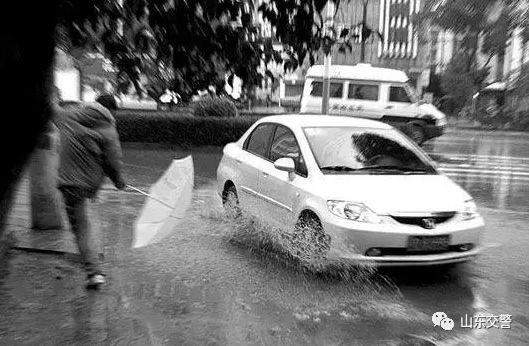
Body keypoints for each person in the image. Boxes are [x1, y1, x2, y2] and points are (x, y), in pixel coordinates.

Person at [55, 93, 126, 289]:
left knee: (80, 227)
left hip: (68, 182)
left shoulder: (68, 116)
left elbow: (52, 112)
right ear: (110, 111)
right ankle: (93, 270)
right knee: (83, 224)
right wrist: (119, 181)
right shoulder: (108, 128)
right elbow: (113, 161)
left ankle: (94, 272)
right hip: (89, 183)